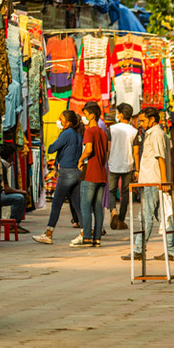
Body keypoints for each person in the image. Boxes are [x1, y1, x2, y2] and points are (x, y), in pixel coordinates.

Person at [123, 107, 174, 261]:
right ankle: (171, 251)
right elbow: (168, 158)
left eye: (143, 120)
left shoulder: (156, 134)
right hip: (155, 181)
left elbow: (161, 158)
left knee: (145, 217)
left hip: (154, 182)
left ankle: (139, 249)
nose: (141, 124)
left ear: (152, 120)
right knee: (164, 217)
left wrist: (165, 181)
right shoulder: (158, 134)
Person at [33, 110, 83, 245]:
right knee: (77, 205)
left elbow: (51, 148)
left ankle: (49, 233)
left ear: (67, 122)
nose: (59, 121)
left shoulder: (67, 133)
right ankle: (85, 233)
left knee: (56, 204)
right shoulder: (78, 133)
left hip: (66, 172)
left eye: (61, 119)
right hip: (76, 172)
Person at [75, 104, 108, 248]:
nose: (85, 117)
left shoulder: (89, 131)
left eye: (86, 114)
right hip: (101, 173)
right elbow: (106, 153)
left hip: (90, 173)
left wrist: (81, 160)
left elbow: (88, 149)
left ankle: (87, 237)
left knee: (86, 206)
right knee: (98, 208)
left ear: (92, 115)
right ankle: (97, 238)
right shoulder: (102, 132)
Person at [108, 103, 136, 230]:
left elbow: (108, 148)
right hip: (128, 164)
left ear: (120, 114)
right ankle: (121, 219)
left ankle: (113, 210)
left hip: (113, 163)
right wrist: (137, 168)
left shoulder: (112, 129)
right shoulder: (134, 131)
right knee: (125, 193)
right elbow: (136, 151)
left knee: (111, 191)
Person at [0, 144, 31, 234]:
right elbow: (6, 189)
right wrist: (23, 191)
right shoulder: (2, 166)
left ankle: (15, 223)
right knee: (19, 198)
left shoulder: (2, 164)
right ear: (10, 156)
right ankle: (13, 224)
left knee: (21, 197)